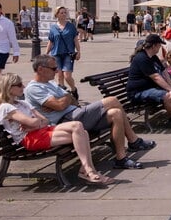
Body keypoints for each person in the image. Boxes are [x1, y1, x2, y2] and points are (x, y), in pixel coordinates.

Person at [25, 55, 155, 169]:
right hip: (65, 121)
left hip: (76, 113)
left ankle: (121, 158)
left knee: (116, 113)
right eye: (53, 69)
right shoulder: (34, 88)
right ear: (40, 69)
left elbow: (73, 100)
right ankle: (133, 140)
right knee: (112, 100)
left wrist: (66, 99)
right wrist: (64, 100)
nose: (57, 71)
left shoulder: (51, 84)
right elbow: (60, 106)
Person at [0, 73, 115, 185]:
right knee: (81, 134)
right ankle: (89, 170)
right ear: (8, 88)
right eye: (19, 85)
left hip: (41, 131)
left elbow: (44, 121)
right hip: (30, 139)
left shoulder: (23, 103)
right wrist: (34, 123)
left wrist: (35, 124)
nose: (23, 87)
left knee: (78, 126)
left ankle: (87, 169)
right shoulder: (6, 107)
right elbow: (33, 121)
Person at [45, 6, 81, 99]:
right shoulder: (53, 28)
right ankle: (63, 94)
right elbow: (51, 42)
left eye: (65, 12)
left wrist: (79, 51)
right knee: (59, 76)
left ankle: (73, 89)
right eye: (61, 13)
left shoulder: (71, 26)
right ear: (57, 14)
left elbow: (75, 40)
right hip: (56, 53)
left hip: (68, 54)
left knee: (67, 76)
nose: (64, 14)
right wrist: (46, 54)